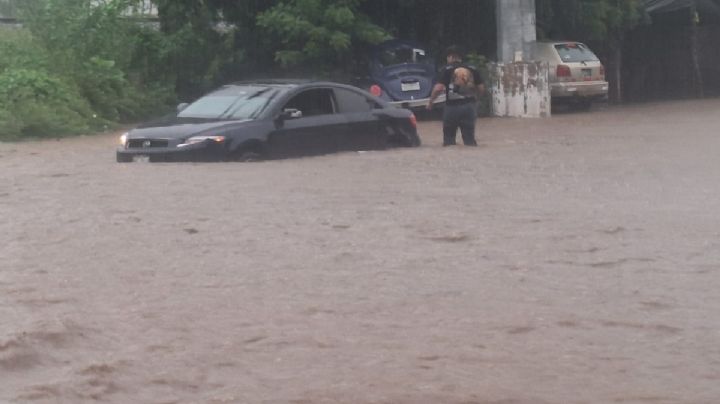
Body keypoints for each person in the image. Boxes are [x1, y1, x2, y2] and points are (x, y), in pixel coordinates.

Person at [427, 46, 485, 146]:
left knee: (449, 141)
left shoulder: (445, 69)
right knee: (470, 141)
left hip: (452, 108)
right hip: (469, 107)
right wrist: (476, 99)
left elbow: (438, 88)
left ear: (450, 57)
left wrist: (431, 102)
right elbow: (481, 89)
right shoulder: (472, 68)